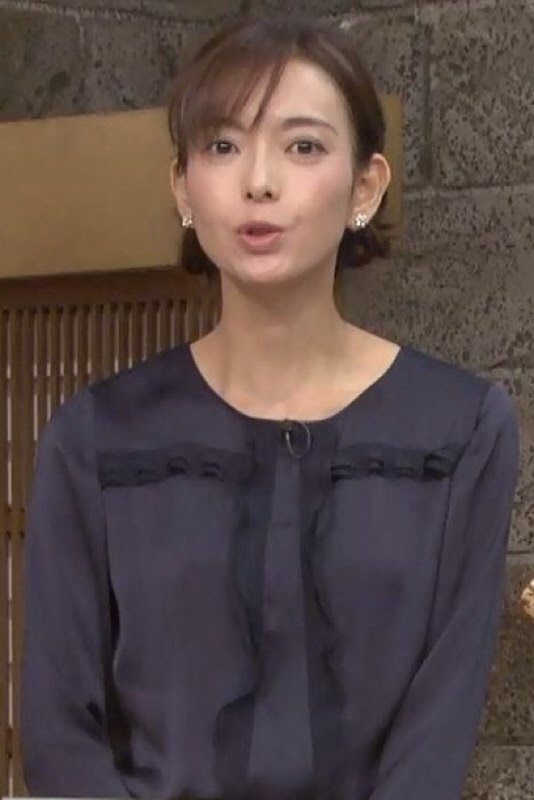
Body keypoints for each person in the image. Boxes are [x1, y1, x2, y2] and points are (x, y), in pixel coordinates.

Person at [21, 12, 519, 800]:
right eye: (223, 146)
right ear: (183, 187)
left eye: (303, 146)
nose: (259, 180)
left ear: (365, 187)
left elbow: (437, 734)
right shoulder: (96, 437)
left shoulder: (462, 430)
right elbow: (57, 736)